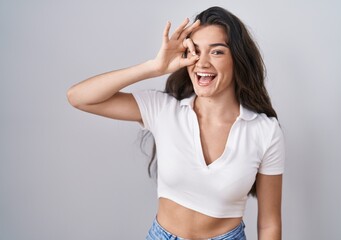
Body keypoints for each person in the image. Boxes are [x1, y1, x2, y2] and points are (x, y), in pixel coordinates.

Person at [67, 6, 285, 240]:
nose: (202, 62)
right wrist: (154, 67)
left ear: (238, 59)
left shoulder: (265, 131)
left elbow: (269, 224)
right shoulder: (164, 109)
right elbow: (79, 97)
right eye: (195, 51)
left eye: (217, 52)